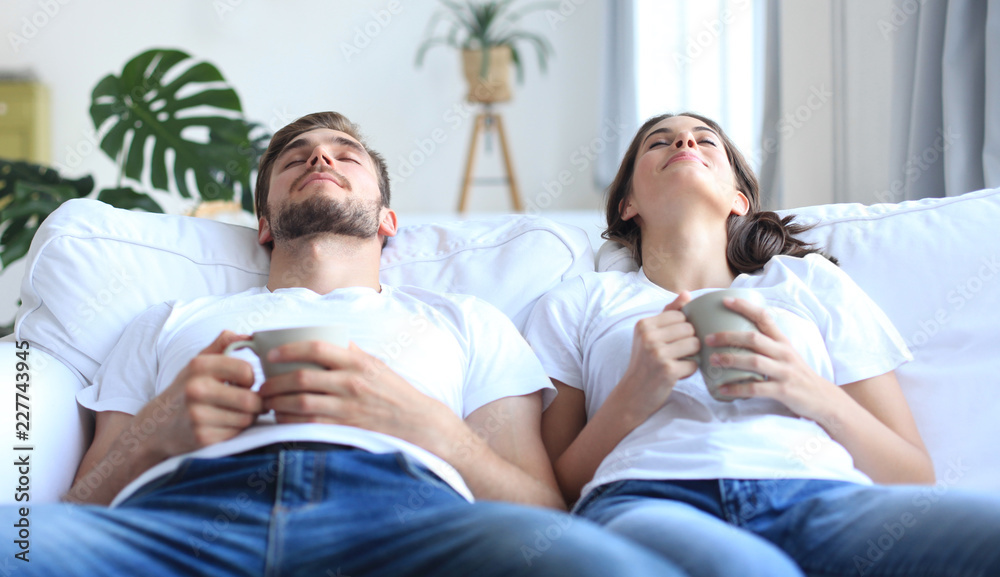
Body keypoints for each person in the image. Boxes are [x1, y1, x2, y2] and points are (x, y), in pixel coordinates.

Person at [17, 112, 686, 577]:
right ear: (264, 224)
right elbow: (76, 509)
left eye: (345, 154)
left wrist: (423, 424)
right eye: (295, 157)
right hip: (180, 519)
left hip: (408, 521)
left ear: (388, 219)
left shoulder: (466, 320)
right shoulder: (167, 321)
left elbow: (544, 512)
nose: (319, 157)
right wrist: (157, 434)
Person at [524, 112, 1000, 577]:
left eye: (705, 140)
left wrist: (809, 390)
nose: (685, 144)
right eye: (659, 141)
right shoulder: (581, 302)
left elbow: (912, 475)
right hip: (653, 496)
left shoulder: (809, 281)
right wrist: (632, 396)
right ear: (627, 203)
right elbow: (552, 491)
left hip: (819, 497)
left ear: (739, 199)